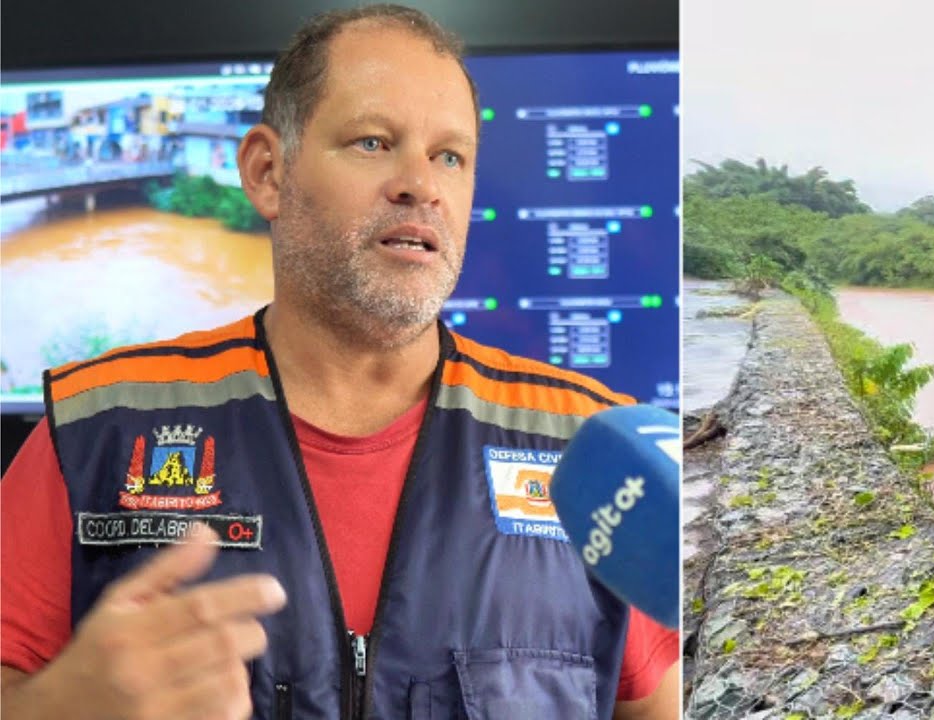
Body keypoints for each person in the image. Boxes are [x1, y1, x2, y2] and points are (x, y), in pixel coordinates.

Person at [0, 5, 680, 719]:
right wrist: (60, 706)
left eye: (450, 155)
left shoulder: (591, 446)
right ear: (267, 172)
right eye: (373, 142)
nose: (421, 184)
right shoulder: (93, 428)